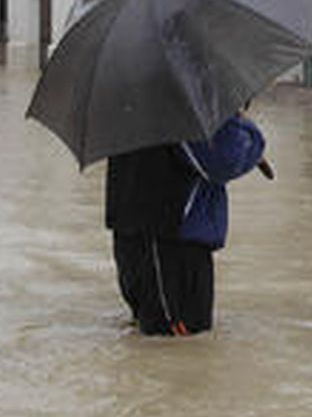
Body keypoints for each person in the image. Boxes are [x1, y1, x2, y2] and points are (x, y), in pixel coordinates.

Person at [105, 114, 266, 336]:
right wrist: (247, 129)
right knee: (180, 345)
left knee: (154, 342)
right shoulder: (184, 108)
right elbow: (224, 159)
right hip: (171, 246)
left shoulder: (130, 100)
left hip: (135, 239)